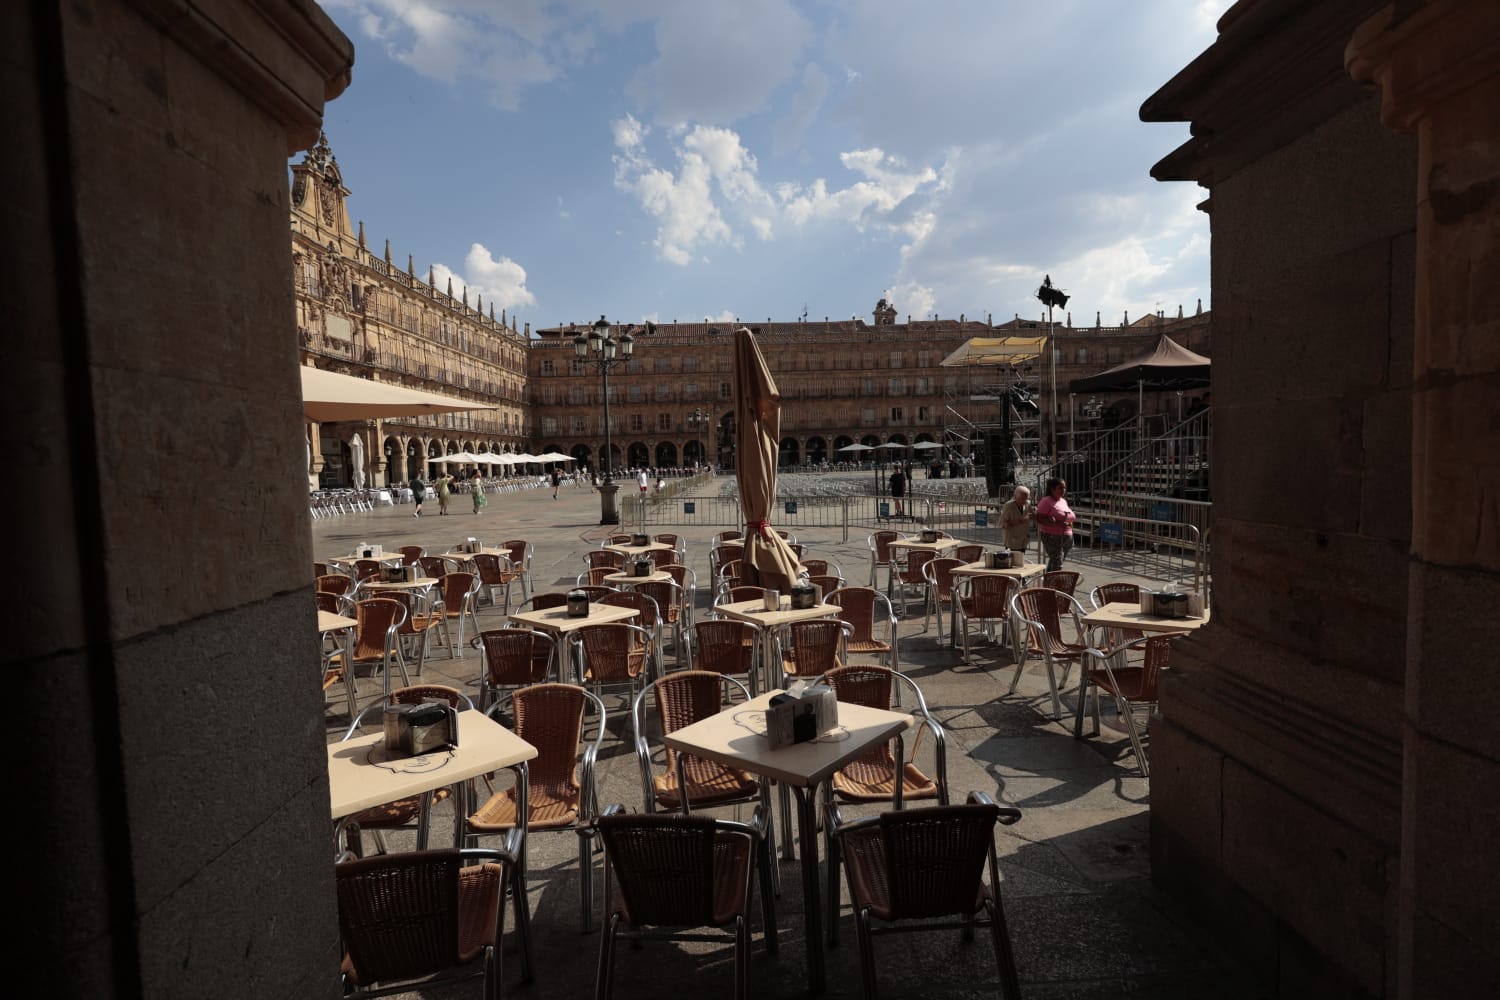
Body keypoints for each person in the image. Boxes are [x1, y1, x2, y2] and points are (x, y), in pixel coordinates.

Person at [1035, 477, 1076, 571]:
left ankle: (1049, 578)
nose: (1063, 490)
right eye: (1060, 488)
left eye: (1064, 488)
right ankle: (1052, 579)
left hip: (1066, 537)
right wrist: (1055, 524)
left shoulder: (1063, 501)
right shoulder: (1046, 501)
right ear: (1052, 489)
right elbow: (1039, 518)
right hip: (1052, 537)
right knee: (1057, 562)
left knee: (1057, 563)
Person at [999, 485, 1034, 562]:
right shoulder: (1008, 506)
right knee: (1013, 563)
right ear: (1015, 497)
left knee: (1020, 562)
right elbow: (1001, 524)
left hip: (1023, 540)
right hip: (1012, 541)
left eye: (1026, 498)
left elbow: (1032, 515)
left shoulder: (1027, 504)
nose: (1024, 501)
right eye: (1022, 499)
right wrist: (1019, 521)